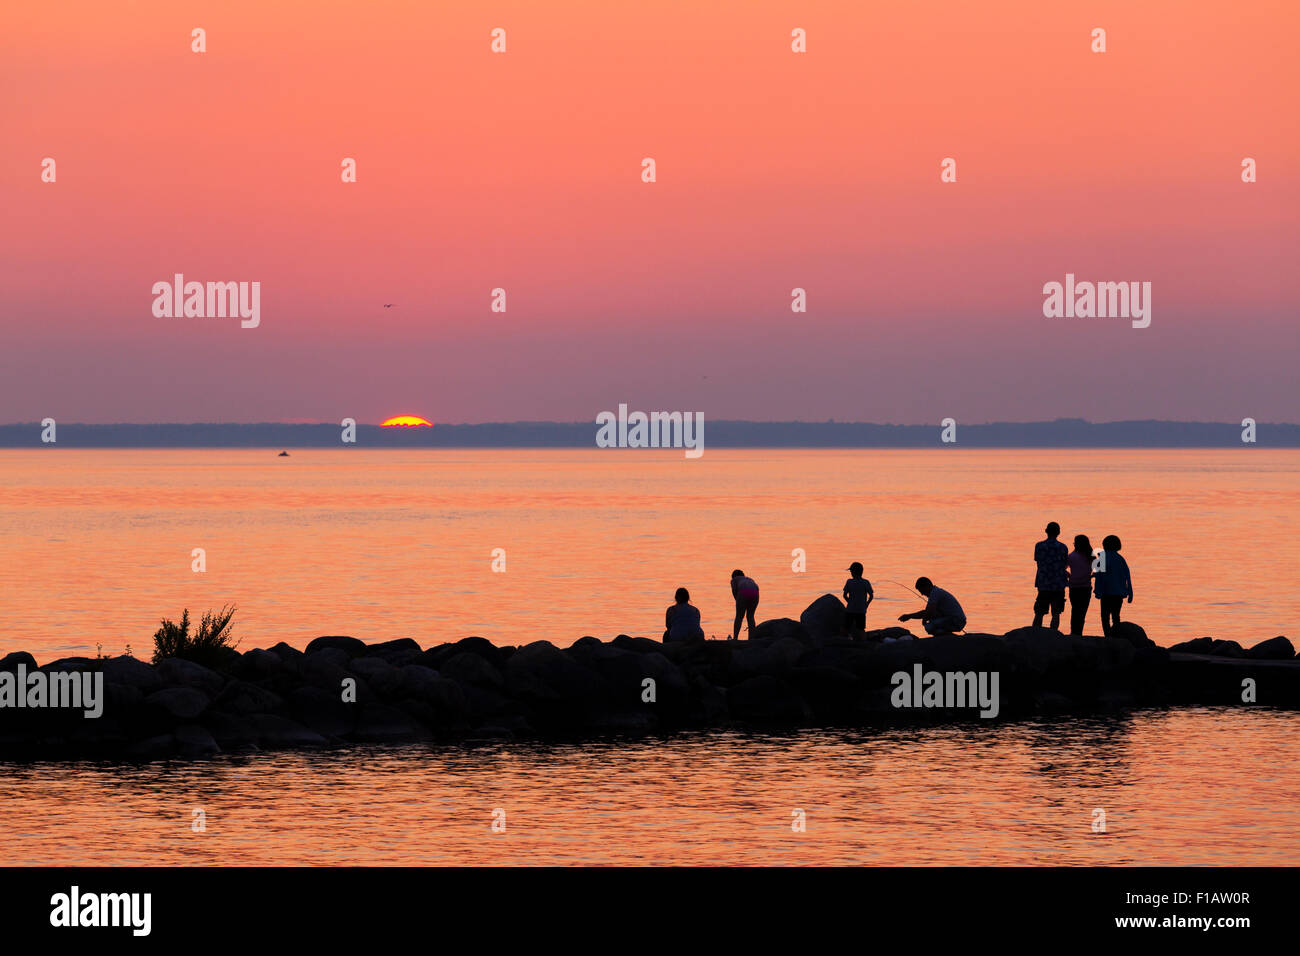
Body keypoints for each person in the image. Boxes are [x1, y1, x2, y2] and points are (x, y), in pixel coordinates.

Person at [1093, 535, 1133, 637]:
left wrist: (1097, 591)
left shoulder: (1102, 557)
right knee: (1116, 616)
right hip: (1118, 593)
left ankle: (1107, 636)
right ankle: (1116, 636)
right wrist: (1130, 593)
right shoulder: (1120, 559)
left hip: (1106, 592)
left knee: (1105, 616)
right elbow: (1127, 576)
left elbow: (1099, 576)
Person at [1032, 521, 1069, 631]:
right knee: (1056, 612)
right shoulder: (1063, 547)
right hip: (1058, 583)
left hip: (1043, 582)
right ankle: (1053, 634)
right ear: (1058, 533)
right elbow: (1064, 563)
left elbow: (1037, 559)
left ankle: (1034, 634)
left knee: (1039, 612)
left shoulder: (1039, 546)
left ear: (1046, 531)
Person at [897, 577, 966, 635]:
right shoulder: (936, 592)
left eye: (922, 590)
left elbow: (929, 612)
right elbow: (926, 612)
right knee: (932, 621)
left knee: (929, 627)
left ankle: (947, 636)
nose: (921, 594)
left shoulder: (935, 593)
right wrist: (910, 616)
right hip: (956, 620)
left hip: (956, 620)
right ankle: (947, 635)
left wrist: (923, 620)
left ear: (927, 586)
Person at [1066, 533, 1094, 636]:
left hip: (1074, 587)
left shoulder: (1071, 556)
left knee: (1075, 610)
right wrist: (1090, 576)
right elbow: (1099, 571)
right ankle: (1079, 633)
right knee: (1082, 612)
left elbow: (1061, 568)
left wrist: (1068, 575)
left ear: (1076, 544)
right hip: (1086, 587)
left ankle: (1074, 632)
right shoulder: (1091, 557)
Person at [842, 561, 874, 639]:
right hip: (861, 610)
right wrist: (866, 604)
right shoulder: (866, 582)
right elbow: (871, 596)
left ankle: (845, 641)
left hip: (850, 609)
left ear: (853, 572)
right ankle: (863, 642)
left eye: (851, 571)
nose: (850, 573)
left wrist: (850, 602)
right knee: (861, 628)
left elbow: (844, 595)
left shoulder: (849, 582)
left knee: (846, 627)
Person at [730, 570, 760, 641]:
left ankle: (735, 638)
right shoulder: (749, 579)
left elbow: (734, 591)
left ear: (733, 576)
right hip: (755, 592)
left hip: (744, 591)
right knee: (750, 616)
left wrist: (738, 602)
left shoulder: (734, 580)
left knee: (739, 616)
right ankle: (751, 638)